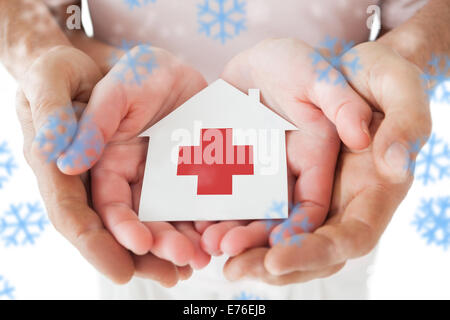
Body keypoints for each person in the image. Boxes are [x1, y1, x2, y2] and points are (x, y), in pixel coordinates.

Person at [0, 0, 447, 299]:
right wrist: (45, 56)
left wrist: (405, 57)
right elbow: (30, 8)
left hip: (330, 182)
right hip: (127, 195)